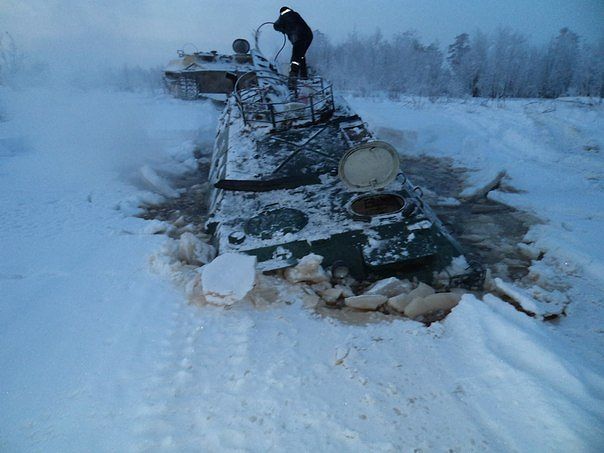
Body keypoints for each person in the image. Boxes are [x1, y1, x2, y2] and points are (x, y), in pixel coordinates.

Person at [273, 6, 313, 83]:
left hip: (299, 37)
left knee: (295, 58)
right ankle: (304, 76)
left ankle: (292, 78)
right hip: (308, 36)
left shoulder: (284, 16)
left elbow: (275, 26)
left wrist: (282, 29)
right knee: (301, 55)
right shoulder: (295, 14)